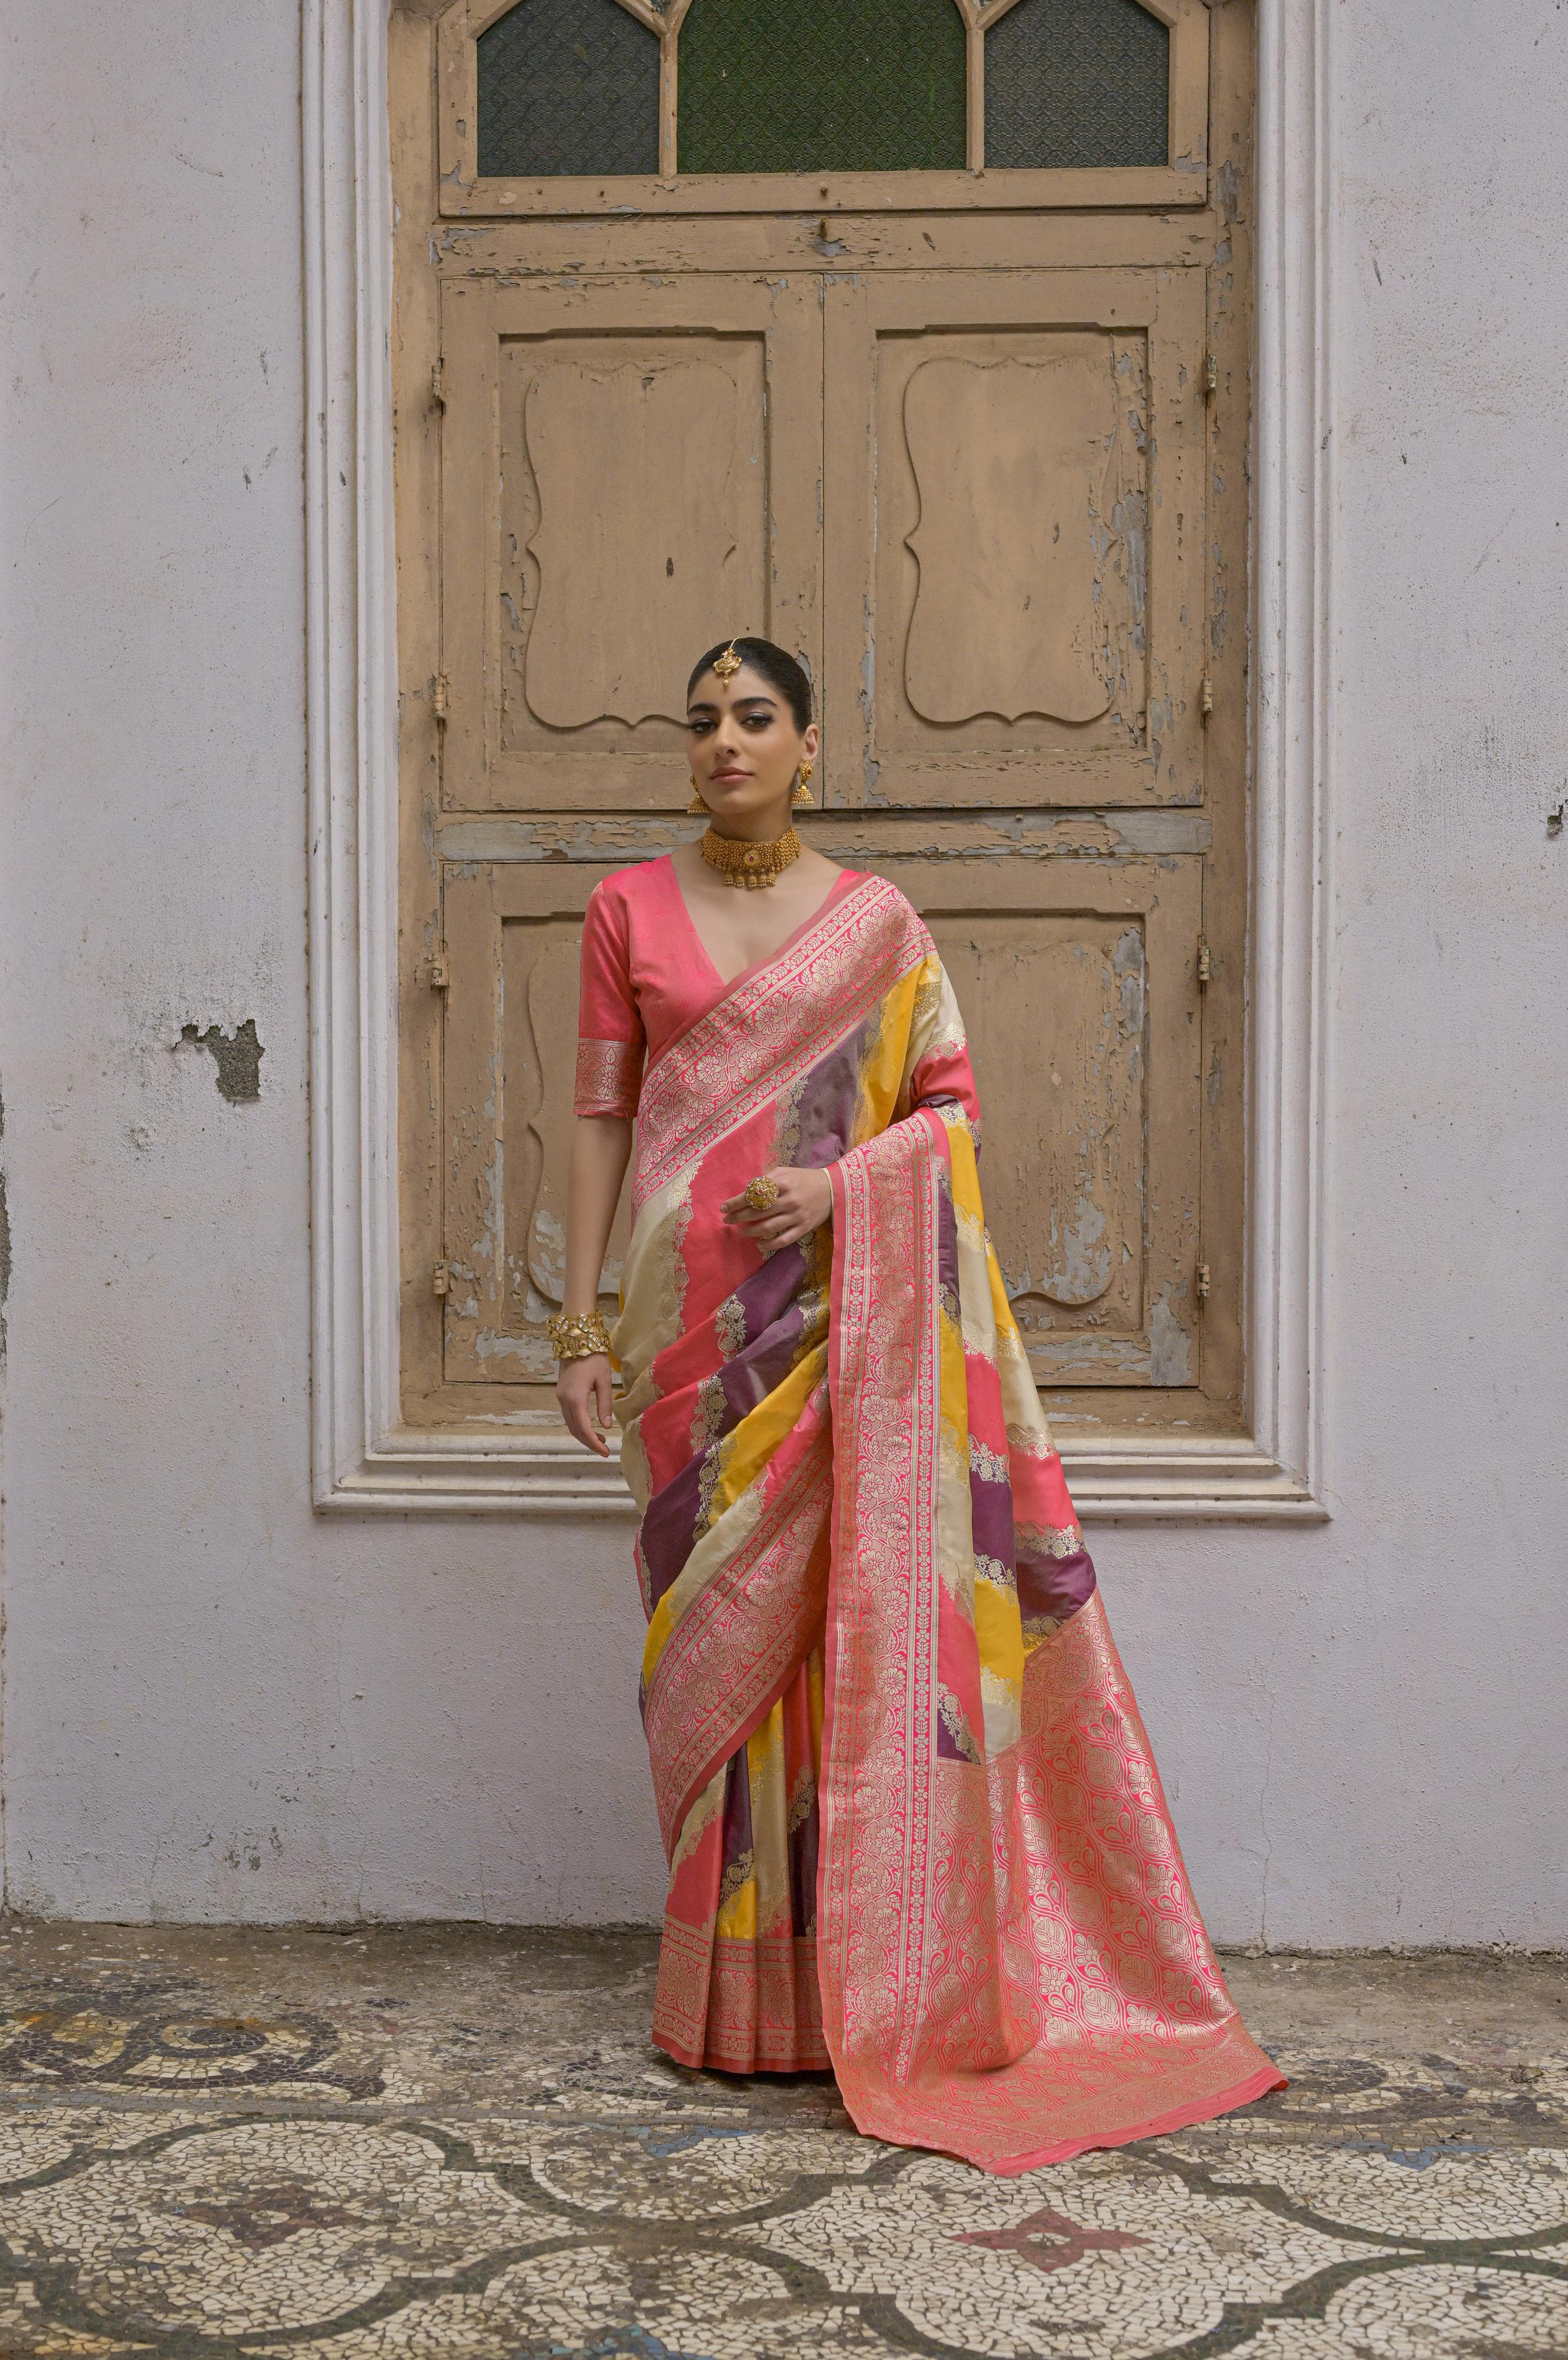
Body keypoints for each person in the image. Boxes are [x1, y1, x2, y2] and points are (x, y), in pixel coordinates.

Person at [553, 635, 1283, 2174]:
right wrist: (577, 1323)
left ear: (808, 744)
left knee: (836, 1634)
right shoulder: (624, 909)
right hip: (680, 1334)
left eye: (755, 717)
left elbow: (949, 1113)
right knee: (707, 1649)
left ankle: (838, 1994)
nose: (724, 742)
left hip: (836, 1325)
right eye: (701, 721)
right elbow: (600, 1121)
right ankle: (724, 1998)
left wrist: (839, 1191)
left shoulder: (876, 927)